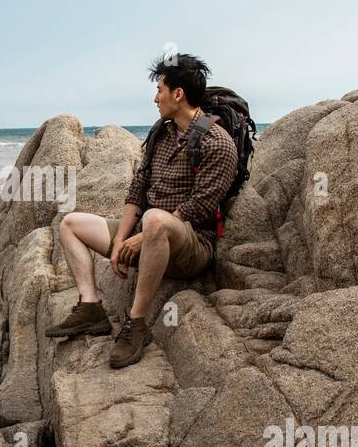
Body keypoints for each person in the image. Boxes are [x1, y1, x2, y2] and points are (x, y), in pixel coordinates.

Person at [44, 53, 238, 368]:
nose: (155, 97)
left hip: (190, 247)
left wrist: (147, 234)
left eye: (160, 89)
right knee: (70, 224)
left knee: (155, 219)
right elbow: (137, 188)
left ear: (178, 94)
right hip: (148, 232)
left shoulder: (218, 143)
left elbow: (201, 205)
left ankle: (136, 324)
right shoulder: (161, 132)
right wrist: (122, 240)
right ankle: (91, 307)